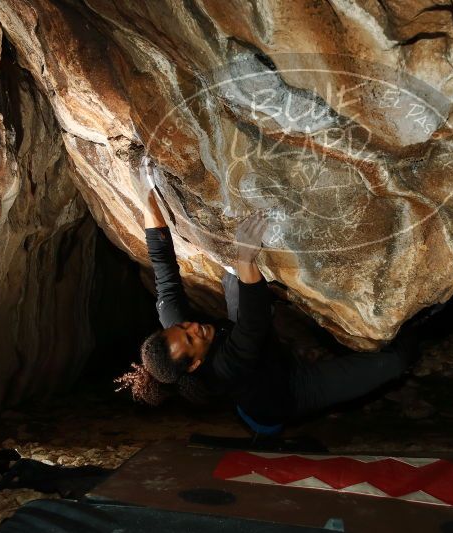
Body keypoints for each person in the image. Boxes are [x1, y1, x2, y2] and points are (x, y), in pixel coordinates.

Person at [116, 159, 417, 434]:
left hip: (262, 354)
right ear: (194, 365)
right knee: (394, 362)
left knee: (233, 278)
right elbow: (252, 323)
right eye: (192, 340)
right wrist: (247, 259)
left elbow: (164, 270)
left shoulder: (179, 333)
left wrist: (148, 196)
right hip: (289, 392)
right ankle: (265, 426)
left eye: (183, 328)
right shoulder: (225, 367)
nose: (193, 328)